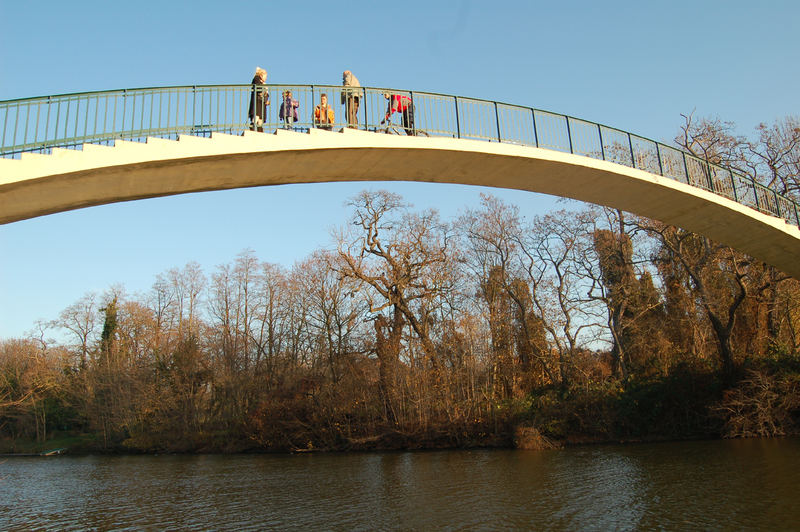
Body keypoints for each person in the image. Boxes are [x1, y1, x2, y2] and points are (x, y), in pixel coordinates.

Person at [248, 67, 269, 132]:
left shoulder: (263, 83)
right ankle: (252, 127)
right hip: (257, 101)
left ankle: (260, 130)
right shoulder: (256, 79)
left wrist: (266, 99)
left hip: (262, 102)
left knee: (261, 117)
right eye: (265, 76)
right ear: (261, 75)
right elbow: (258, 88)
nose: (266, 78)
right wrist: (263, 90)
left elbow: (266, 93)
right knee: (256, 115)